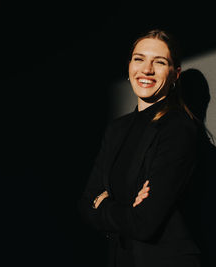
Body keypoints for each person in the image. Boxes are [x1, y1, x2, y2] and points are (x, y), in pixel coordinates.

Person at [79, 29, 203, 267]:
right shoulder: (117, 129)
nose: (146, 69)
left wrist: (103, 203)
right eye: (139, 59)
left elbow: (144, 224)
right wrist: (124, 210)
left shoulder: (178, 130)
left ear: (175, 74)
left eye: (159, 62)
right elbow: (85, 203)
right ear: (129, 66)